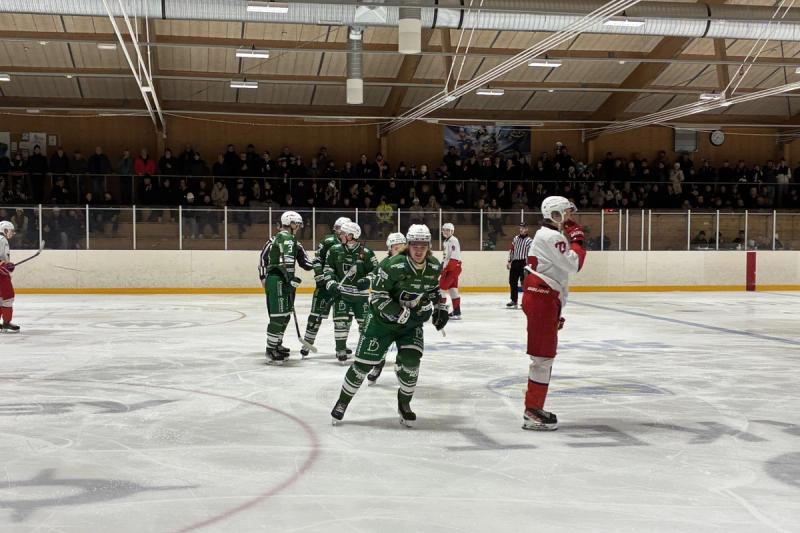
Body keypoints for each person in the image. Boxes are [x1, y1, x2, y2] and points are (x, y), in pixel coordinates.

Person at [330, 224, 449, 427]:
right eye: (415, 245)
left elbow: (432, 288)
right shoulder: (392, 265)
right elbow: (377, 296)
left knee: (411, 362)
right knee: (362, 366)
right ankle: (342, 402)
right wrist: (399, 312)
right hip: (380, 323)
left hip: (410, 324)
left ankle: (404, 405)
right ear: (408, 245)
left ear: (429, 246)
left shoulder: (434, 266)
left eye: (423, 246)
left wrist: (440, 307)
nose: (419, 250)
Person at [521, 196, 586, 431]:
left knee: (543, 356)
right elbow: (574, 264)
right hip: (542, 298)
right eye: (566, 212)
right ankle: (532, 411)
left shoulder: (546, 235)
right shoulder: (552, 237)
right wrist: (578, 240)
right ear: (555, 214)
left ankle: (534, 408)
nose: (570, 216)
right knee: (542, 357)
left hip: (544, 298)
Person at [258, 211, 313, 364]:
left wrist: (321, 263)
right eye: (297, 224)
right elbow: (263, 260)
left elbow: (306, 263)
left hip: (288, 282)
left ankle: (277, 343)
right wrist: (263, 278)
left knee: (286, 314)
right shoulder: (273, 241)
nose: (299, 227)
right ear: (290, 223)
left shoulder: (295, 242)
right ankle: (271, 349)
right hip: (278, 280)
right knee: (277, 315)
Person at [323, 221, 378, 363]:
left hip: (361, 296)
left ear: (351, 235)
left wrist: (367, 280)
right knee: (340, 323)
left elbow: (376, 271)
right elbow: (328, 269)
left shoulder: (366, 253)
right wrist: (331, 283)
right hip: (342, 294)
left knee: (365, 324)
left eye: (343, 233)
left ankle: (363, 350)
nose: (340, 235)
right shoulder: (334, 250)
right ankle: (340, 350)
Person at [300, 216, 351, 357]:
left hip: (343, 288)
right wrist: (319, 275)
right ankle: (307, 343)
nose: (340, 231)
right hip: (325, 285)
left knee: (344, 318)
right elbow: (317, 260)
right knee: (316, 315)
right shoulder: (328, 241)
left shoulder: (352, 244)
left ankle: (342, 345)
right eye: (338, 229)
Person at [366, 231, 407, 385]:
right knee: (381, 340)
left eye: (401, 247)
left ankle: (401, 366)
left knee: (404, 341)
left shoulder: (411, 264)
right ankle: (378, 364)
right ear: (389, 249)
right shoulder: (384, 265)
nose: (399, 251)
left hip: (405, 309)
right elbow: (375, 283)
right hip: (387, 310)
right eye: (395, 248)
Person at [439, 222, 462, 319]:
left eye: (448, 230)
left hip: (453, 268)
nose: (445, 232)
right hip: (452, 268)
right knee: (453, 289)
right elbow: (446, 256)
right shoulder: (446, 241)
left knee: (441, 288)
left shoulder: (453, 240)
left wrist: (446, 269)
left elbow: (454, 257)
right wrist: (442, 265)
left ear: (452, 231)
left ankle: (441, 312)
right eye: (444, 230)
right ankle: (457, 312)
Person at [507, 222, 533, 308]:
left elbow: (531, 253)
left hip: (524, 263)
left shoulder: (529, 241)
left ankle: (525, 301)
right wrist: (509, 261)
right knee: (512, 281)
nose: (521, 229)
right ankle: (514, 300)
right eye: (520, 228)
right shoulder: (515, 238)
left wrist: (530, 265)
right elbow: (512, 250)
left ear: (527, 229)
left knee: (524, 283)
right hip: (515, 262)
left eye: (523, 228)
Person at [0, 221, 20, 332]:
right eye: (10, 230)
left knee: (1, 298)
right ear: (5, 230)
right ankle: (6, 323)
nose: (11, 233)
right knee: (8, 297)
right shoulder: (2, 240)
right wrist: (4, 266)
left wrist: (7, 265)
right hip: (1, 275)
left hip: (2, 272)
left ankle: (5, 323)